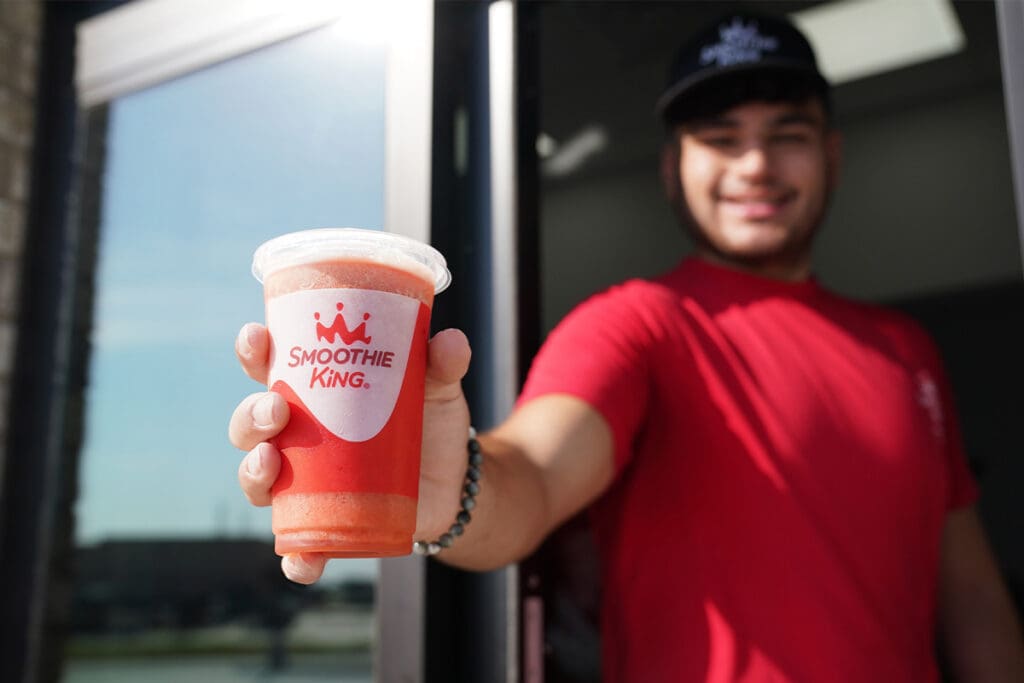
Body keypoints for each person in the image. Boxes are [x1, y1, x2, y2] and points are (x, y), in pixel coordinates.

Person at [229, 11, 1024, 682]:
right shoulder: (637, 323)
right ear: (674, 168)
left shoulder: (907, 350)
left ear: (833, 155)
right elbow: (533, 476)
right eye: (720, 138)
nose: (755, 164)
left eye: (788, 134)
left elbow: (973, 597)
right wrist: (453, 489)